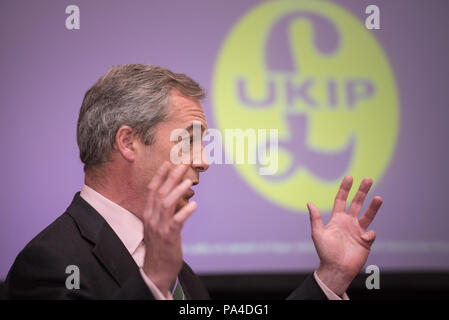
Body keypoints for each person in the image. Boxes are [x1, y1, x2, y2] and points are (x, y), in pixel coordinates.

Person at [4, 64, 382, 299]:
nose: (203, 161)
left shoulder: (179, 273)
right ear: (128, 142)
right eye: (190, 140)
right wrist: (152, 281)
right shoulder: (50, 264)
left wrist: (330, 279)